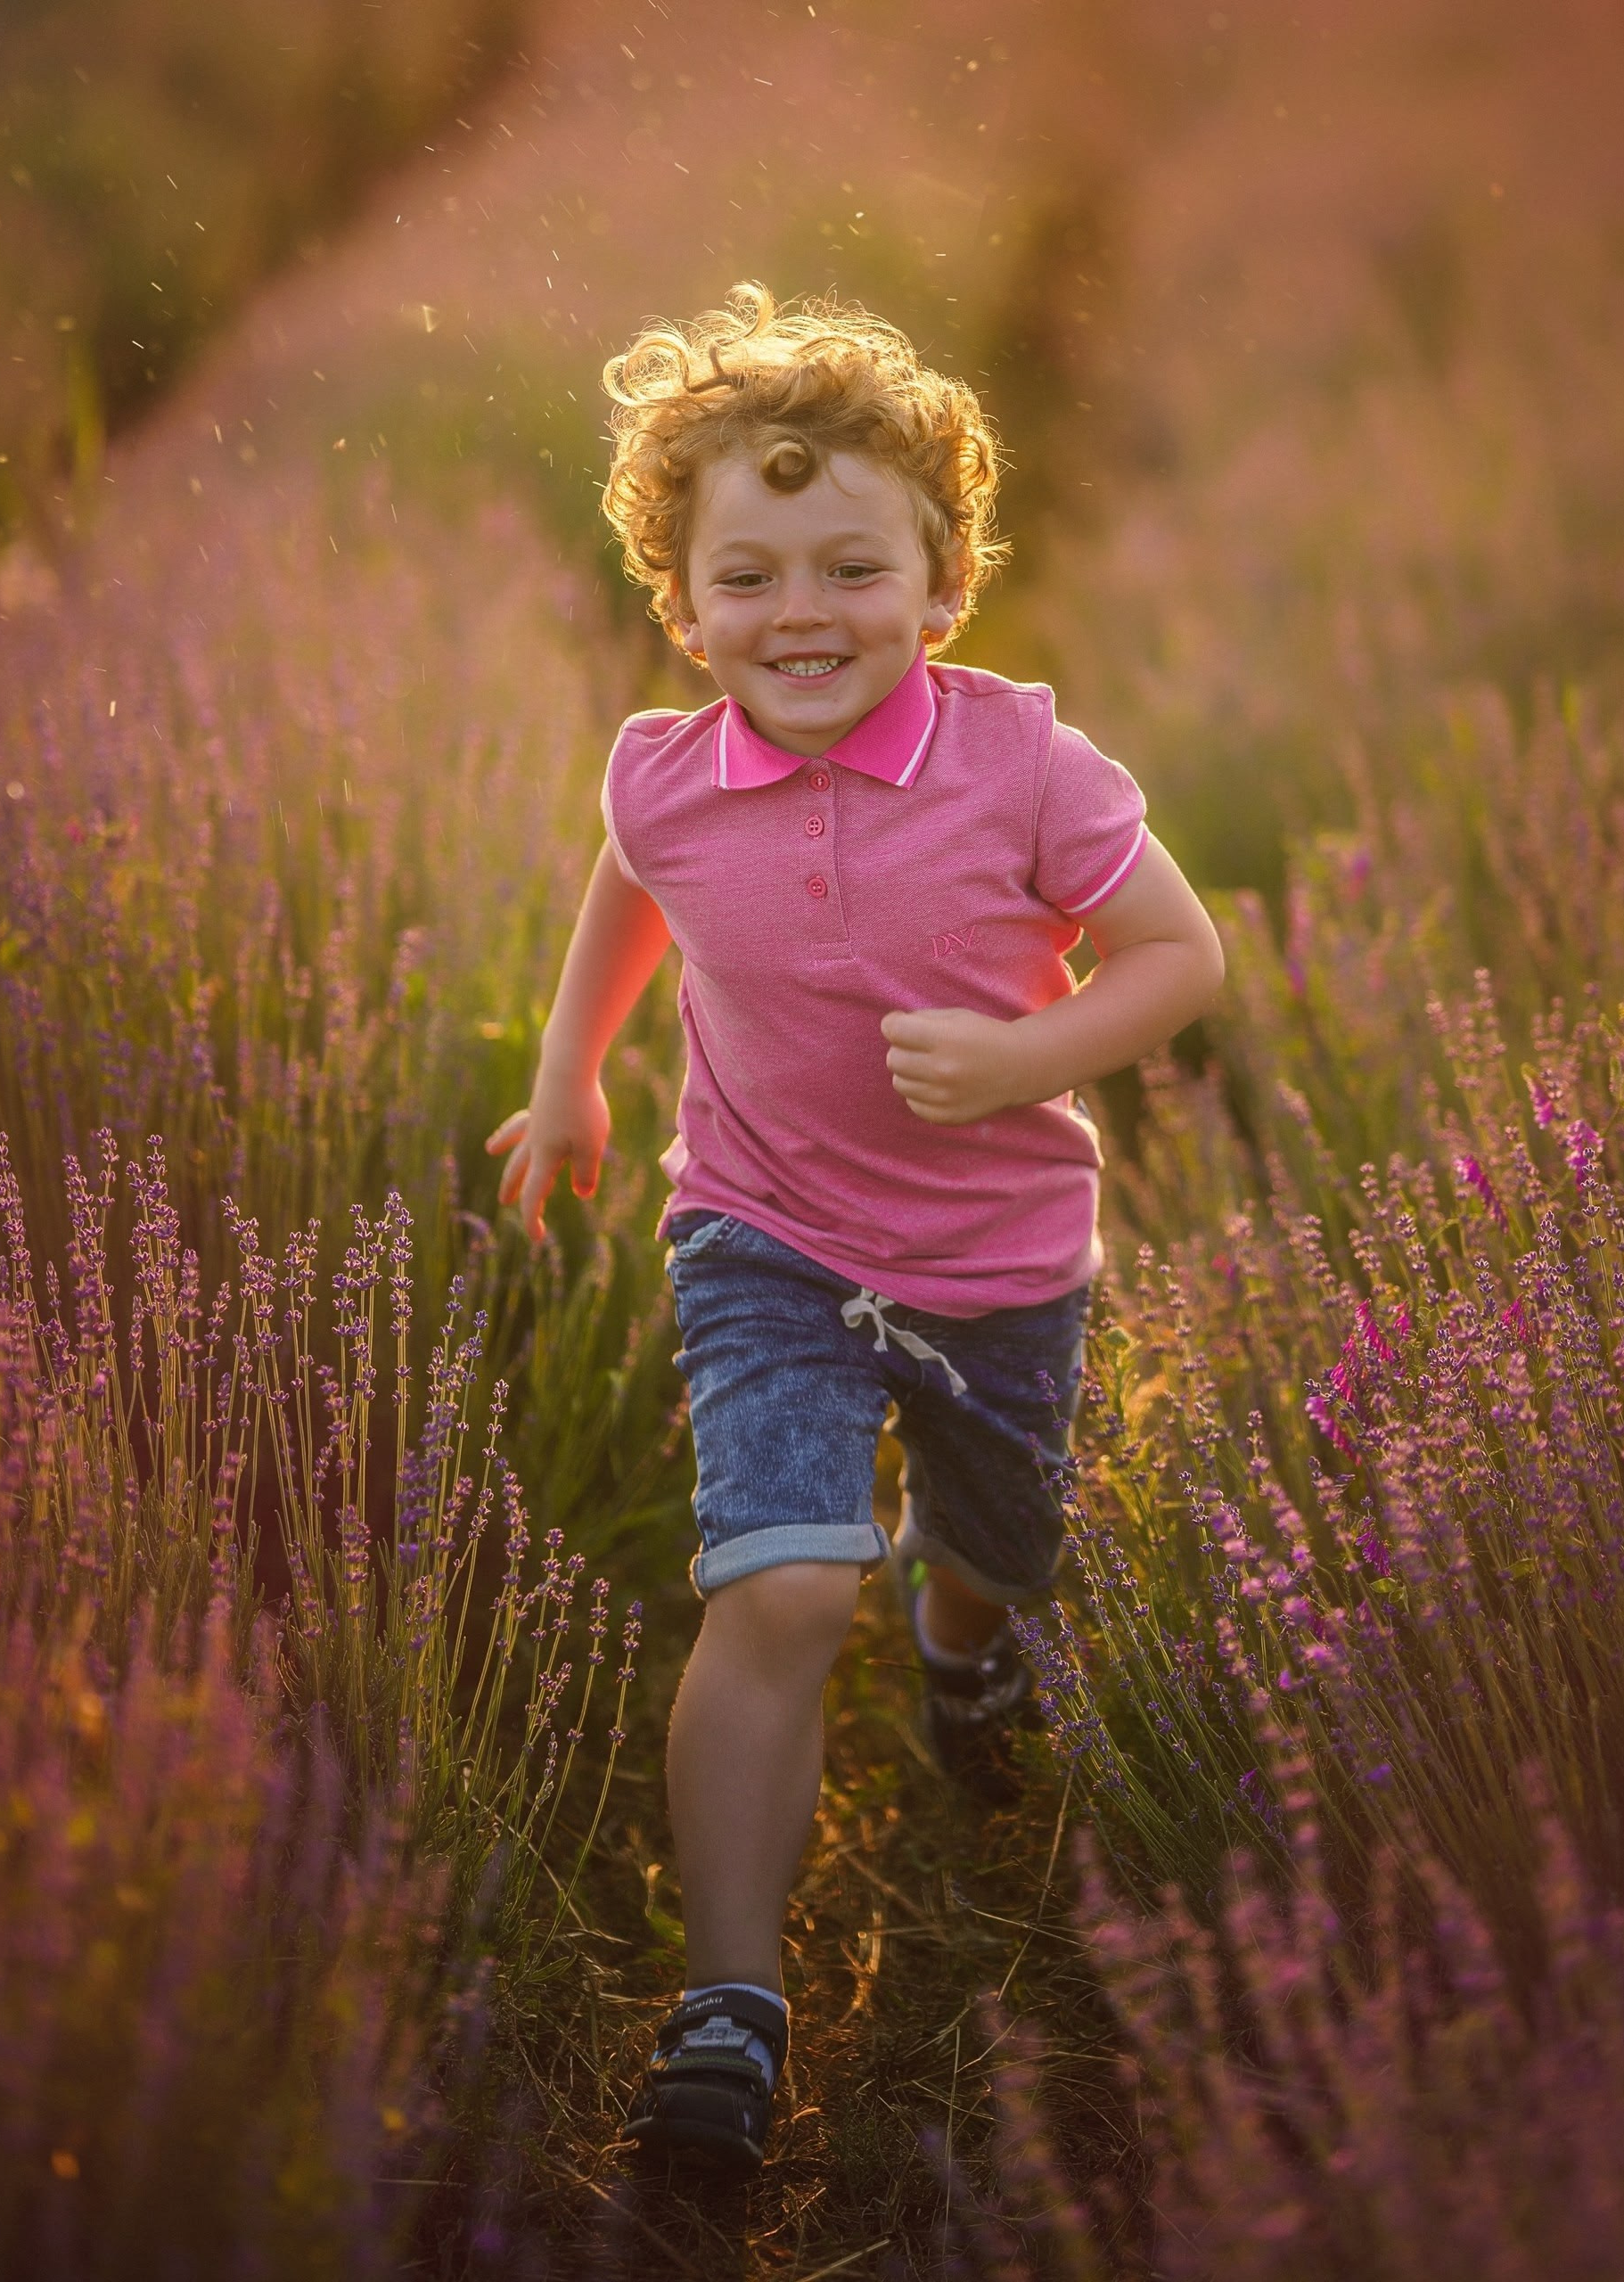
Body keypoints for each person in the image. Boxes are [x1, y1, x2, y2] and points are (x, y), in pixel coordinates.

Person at [486, 283, 1225, 2173]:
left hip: (994, 1260)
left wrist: (1024, 1054)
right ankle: (728, 2002)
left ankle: (963, 1639)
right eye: (747, 576)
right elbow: (633, 878)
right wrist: (574, 1066)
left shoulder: (1025, 767)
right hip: (764, 1237)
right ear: (683, 604)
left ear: (943, 581)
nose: (797, 612)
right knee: (783, 1585)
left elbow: (1177, 951)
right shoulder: (666, 765)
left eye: (848, 566)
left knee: (997, 1548)